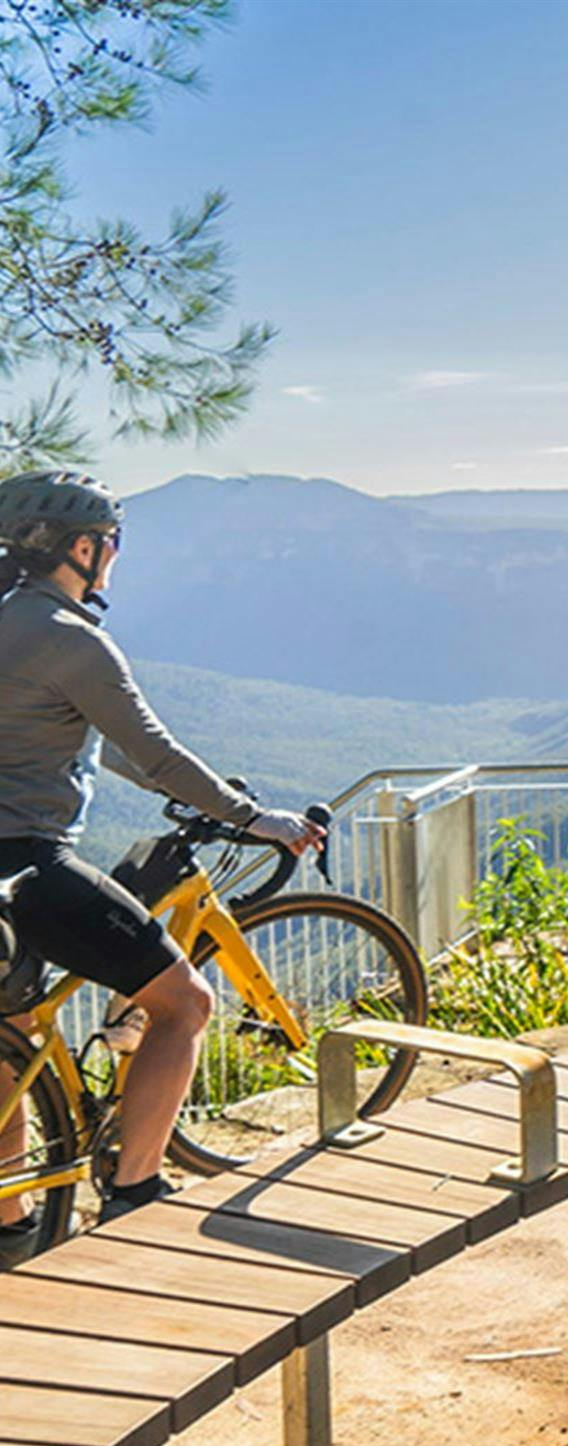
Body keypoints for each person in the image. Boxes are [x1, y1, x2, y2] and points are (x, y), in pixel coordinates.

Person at [0, 471, 321, 1258]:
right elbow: (156, 754)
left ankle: (8, 1226)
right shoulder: (71, 639)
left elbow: (101, 748)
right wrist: (256, 819)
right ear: (81, 547)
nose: (111, 558)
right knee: (185, 1002)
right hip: (25, 862)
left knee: (9, 1034)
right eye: (109, 544)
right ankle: (136, 1192)